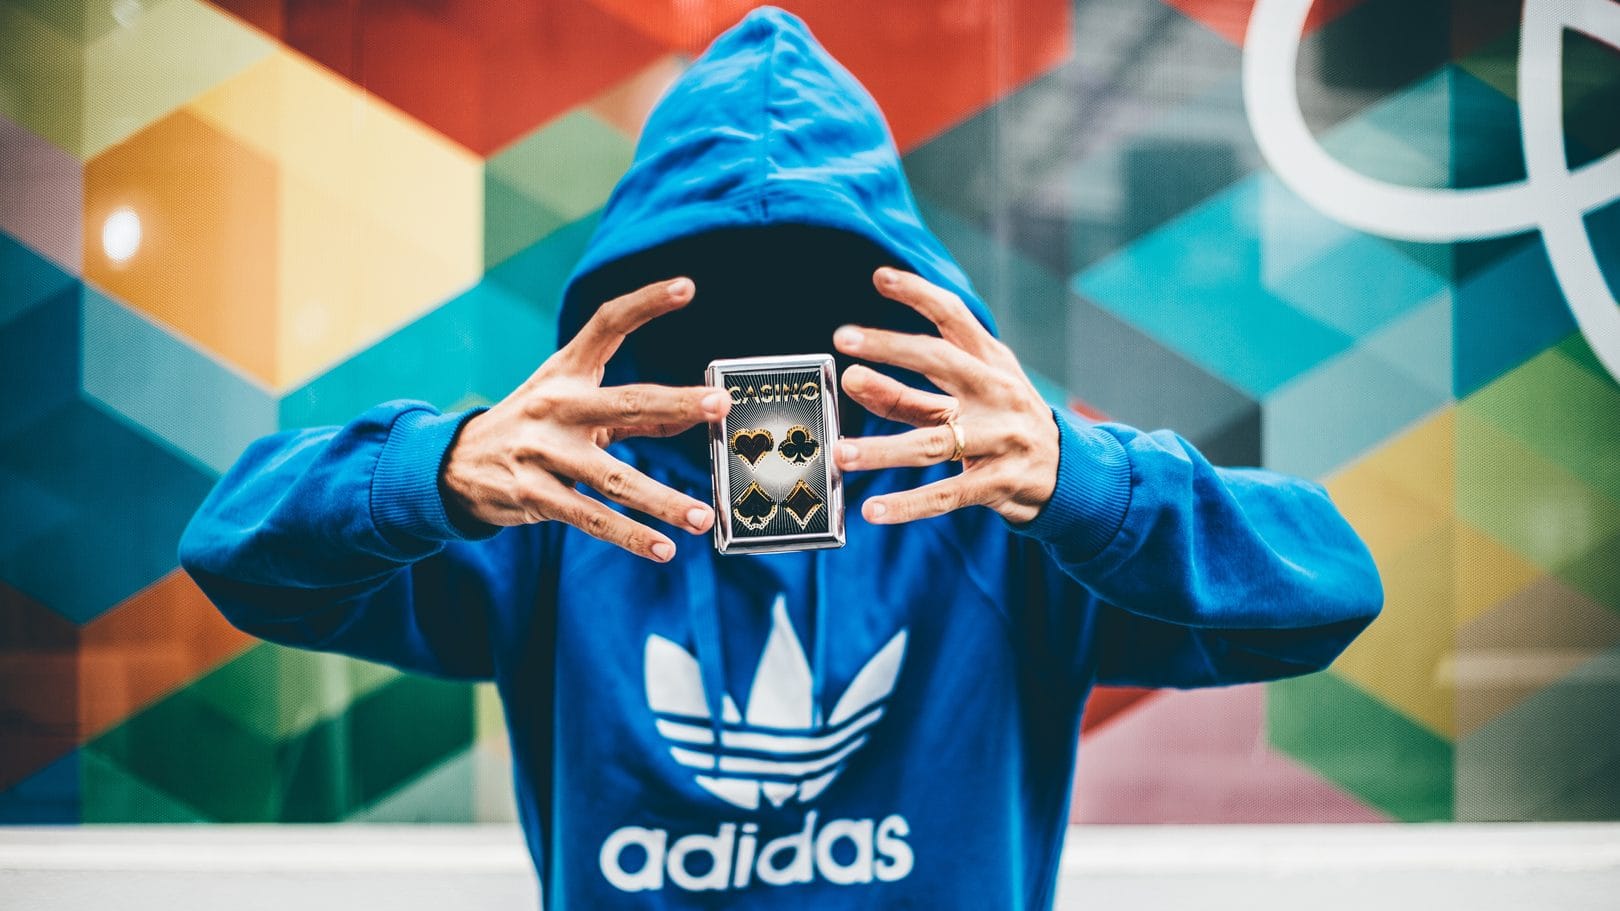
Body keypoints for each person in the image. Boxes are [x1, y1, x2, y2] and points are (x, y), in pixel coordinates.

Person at [179, 7, 1382, 908]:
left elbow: (1326, 590)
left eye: (815, 321)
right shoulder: (553, 516)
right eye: (710, 325)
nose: (763, 379)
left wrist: (1086, 482)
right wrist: (439, 470)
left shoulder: (997, 511)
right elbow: (237, 550)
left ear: (894, 314)